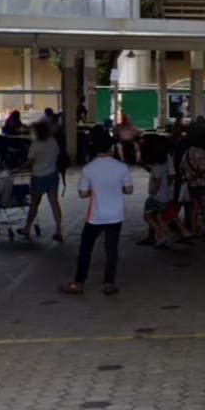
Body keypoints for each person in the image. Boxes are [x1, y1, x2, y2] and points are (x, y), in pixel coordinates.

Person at [61, 127, 133, 296]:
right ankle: (109, 283)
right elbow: (129, 190)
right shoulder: (121, 167)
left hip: (95, 216)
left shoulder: (88, 169)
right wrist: (116, 188)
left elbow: (82, 193)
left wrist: (95, 190)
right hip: (116, 215)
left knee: (86, 248)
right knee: (111, 249)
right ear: (111, 148)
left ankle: (79, 282)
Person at [18, 121, 63, 242]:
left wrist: (19, 169)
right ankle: (58, 230)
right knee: (54, 203)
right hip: (52, 175)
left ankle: (27, 228)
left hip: (38, 177)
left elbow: (30, 161)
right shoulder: (53, 142)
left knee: (34, 204)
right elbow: (57, 155)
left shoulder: (36, 145)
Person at [180, 127, 205, 240]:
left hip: (191, 184)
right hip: (201, 184)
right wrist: (197, 176)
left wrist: (190, 177)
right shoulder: (201, 152)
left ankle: (193, 230)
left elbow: (181, 168)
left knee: (194, 207)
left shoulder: (186, 153)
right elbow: (204, 168)